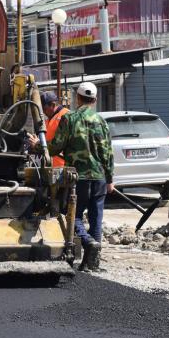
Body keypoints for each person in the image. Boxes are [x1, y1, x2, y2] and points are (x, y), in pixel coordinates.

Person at [28, 82, 114, 271]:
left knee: (72, 217)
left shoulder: (70, 119)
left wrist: (36, 145)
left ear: (78, 98)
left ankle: (88, 242)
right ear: (95, 99)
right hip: (99, 177)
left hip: (78, 177)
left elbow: (55, 147)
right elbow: (108, 152)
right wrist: (110, 178)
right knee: (96, 218)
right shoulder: (102, 121)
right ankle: (93, 263)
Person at [40, 91, 69, 168]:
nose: (43, 112)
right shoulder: (48, 120)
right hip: (52, 166)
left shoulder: (65, 116)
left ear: (53, 105)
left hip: (63, 166)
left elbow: (57, 145)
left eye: (44, 109)